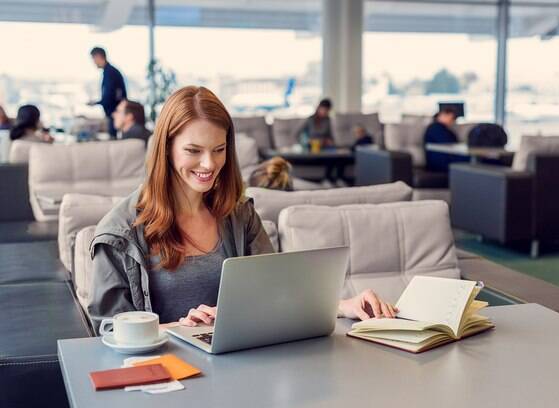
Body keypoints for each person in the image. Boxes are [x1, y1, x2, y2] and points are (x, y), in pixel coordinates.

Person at [88, 86, 396, 332]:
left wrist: (343, 305)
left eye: (219, 150)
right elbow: (110, 331)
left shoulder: (239, 213)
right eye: (194, 151)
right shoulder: (119, 232)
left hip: (240, 369)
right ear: (165, 148)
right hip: (166, 376)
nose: (209, 164)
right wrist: (181, 329)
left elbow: (277, 292)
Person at [89, 47, 127, 139]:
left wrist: (97, 103)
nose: (93, 62)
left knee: (113, 139)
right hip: (115, 114)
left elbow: (109, 96)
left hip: (115, 114)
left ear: (98, 56)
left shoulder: (110, 73)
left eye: (93, 59)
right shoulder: (109, 72)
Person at [423, 107, 463, 172]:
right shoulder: (435, 128)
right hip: (438, 161)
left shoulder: (445, 129)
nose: (452, 121)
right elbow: (448, 143)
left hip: (447, 158)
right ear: (442, 115)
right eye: (452, 118)